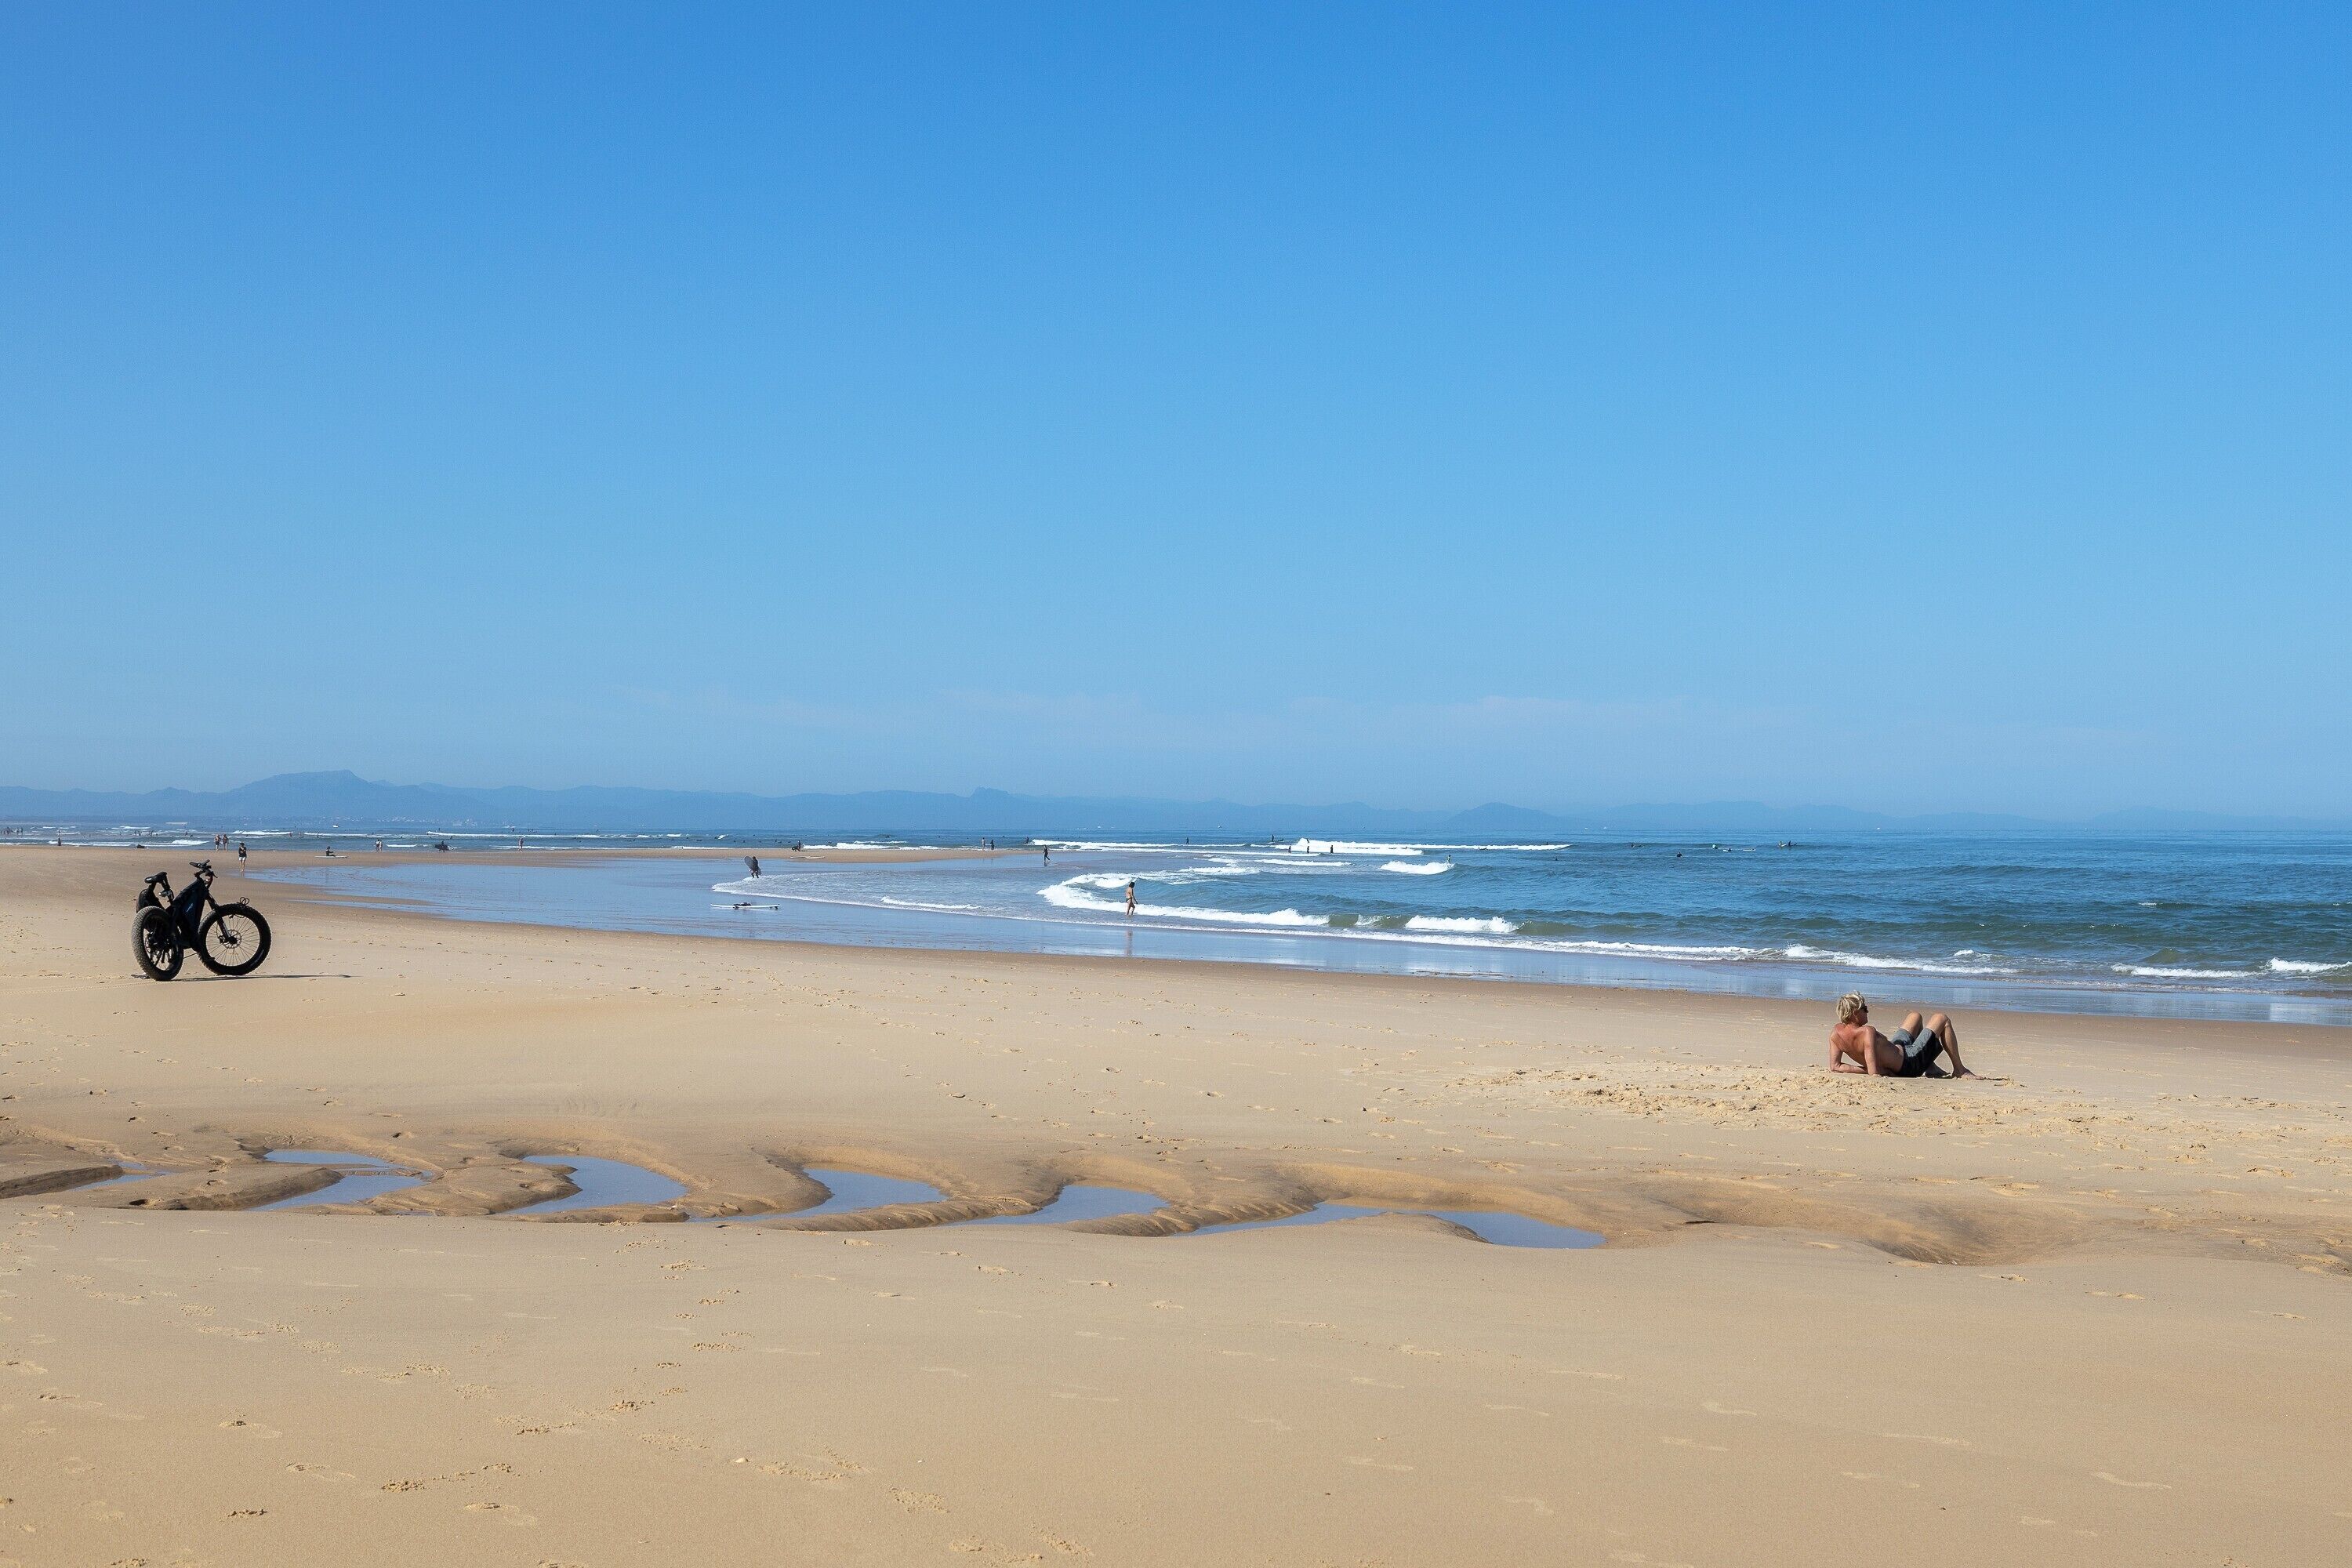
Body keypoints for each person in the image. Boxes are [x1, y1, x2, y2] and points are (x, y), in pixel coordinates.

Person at [1828, 993, 1973, 1078]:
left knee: (1914, 1016)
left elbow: (1835, 1067)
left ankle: (1930, 1067)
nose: (1868, 1012)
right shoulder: (1867, 1032)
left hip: (1897, 1049)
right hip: (1909, 1063)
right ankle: (1960, 1070)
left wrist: (1872, 1068)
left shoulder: (1836, 1034)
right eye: (1864, 1009)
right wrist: (1877, 1070)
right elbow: (1874, 1073)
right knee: (1942, 1019)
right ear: (1855, 1014)